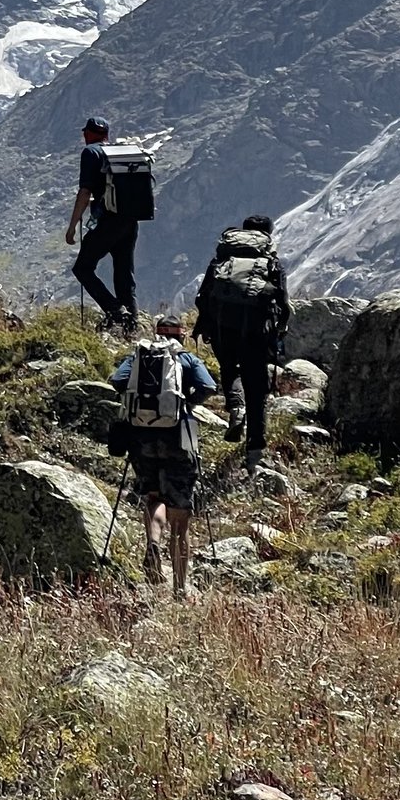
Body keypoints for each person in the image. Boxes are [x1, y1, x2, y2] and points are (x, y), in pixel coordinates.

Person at [110, 317, 219, 599]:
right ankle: (180, 589)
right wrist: (186, 402)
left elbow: (118, 381)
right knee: (180, 520)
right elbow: (209, 387)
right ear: (181, 336)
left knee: (153, 496)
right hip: (178, 438)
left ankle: (153, 543)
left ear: (156, 334)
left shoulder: (139, 355)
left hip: (141, 438)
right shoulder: (187, 359)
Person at [195, 213, 291, 460]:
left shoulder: (224, 256)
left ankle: (236, 407)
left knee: (230, 368)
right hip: (257, 327)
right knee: (257, 385)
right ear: (267, 234)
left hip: (222, 324)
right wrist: (280, 328)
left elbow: (203, 294)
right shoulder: (269, 260)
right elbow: (282, 300)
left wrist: (205, 324)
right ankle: (255, 446)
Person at [65, 116, 136, 331]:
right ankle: (131, 327)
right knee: (124, 273)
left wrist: (72, 226)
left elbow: (85, 192)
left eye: (85, 132)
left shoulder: (91, 153)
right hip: (130, 221)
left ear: (89, 133)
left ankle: (115, 311)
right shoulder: (118, 152)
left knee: (83, 268)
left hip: (107, 222)